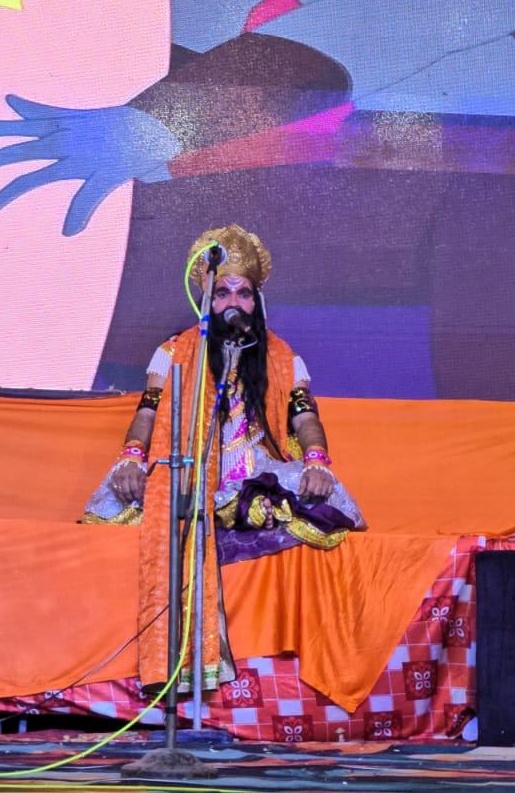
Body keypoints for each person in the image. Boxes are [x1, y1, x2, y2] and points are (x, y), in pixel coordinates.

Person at [83, 223, 365, 691]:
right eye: (222, 292)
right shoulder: (175, 351)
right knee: (124, 501)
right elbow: (148, 412)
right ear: (207, 301)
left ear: (257, 301)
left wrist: (317, 460)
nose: (233, 302)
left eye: (243, 293)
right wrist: (131, 456)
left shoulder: (281, 356)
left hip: (254, 469)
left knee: (321, 500)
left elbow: (304, 416)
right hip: (188, 468)